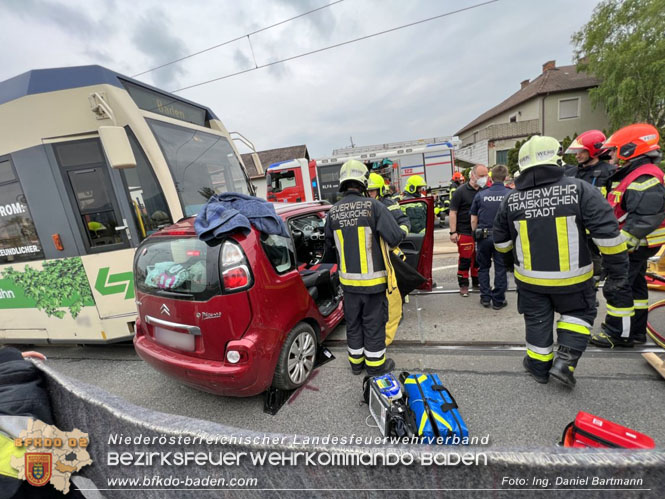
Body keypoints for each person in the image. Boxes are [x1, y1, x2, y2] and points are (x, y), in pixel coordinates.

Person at [493, 136, 629, 387]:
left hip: (529, 280)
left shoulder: (510, 200)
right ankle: (565, 363)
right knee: (578, 314)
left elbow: (500, 243)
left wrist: (513, 265)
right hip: (574, 280)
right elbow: (608, 236)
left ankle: (538, 367)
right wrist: (618, 272)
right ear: (556, 158)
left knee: (536, 319)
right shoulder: (579, 189)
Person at [323, 160, 405, 375]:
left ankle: (356, 365)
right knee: (373, 325)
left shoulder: (332, 213)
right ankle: (376, 367)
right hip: (374, 285)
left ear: (343, 183)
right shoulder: (374, 207)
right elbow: (395, 237)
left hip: (348, 285)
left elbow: (329, 252)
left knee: (353, 324)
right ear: (364, 182)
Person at [590, 123, 665, 348]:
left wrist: (619, 247)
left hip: (635, 243)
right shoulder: (638, 173)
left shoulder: (644, 177)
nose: (611, 155)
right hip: (641, 244)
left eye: (614, 150)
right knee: (636, 287)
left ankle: (617, 334)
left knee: (617, 285)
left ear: (629, 149)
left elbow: (643, 219)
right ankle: (635, 330)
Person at [367, 173, 411, 346]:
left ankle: (398, 313)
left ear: (379, 190)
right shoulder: (367, 205)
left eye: (372, 191)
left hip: (391, 249)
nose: (369, 193)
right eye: (367, 190)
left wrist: (398, 237)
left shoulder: (389, 204)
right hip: (375, 251)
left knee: (395, 285)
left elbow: (404, 221)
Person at [470, 165, 512, 309]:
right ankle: (499, 300)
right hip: (503, 238)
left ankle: (486, 298)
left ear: (491, 177)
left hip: (483, 236)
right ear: (506, 177)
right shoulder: (510, 194)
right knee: (501, 268)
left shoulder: (481, 194)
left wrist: (475, 234)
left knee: (483, 267)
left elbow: (474, 219)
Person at [449, 164, 489, 296]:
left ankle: (477, 282)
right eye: (481, 176)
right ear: (473, 176)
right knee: (465, 259)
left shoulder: (485, 190)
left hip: (481, 231)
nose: (484, 178)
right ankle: (464, 284)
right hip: (464, 231)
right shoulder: (460, 192)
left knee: (478, 259)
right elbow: (453, 212)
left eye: (486, 176)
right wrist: (453, 232)